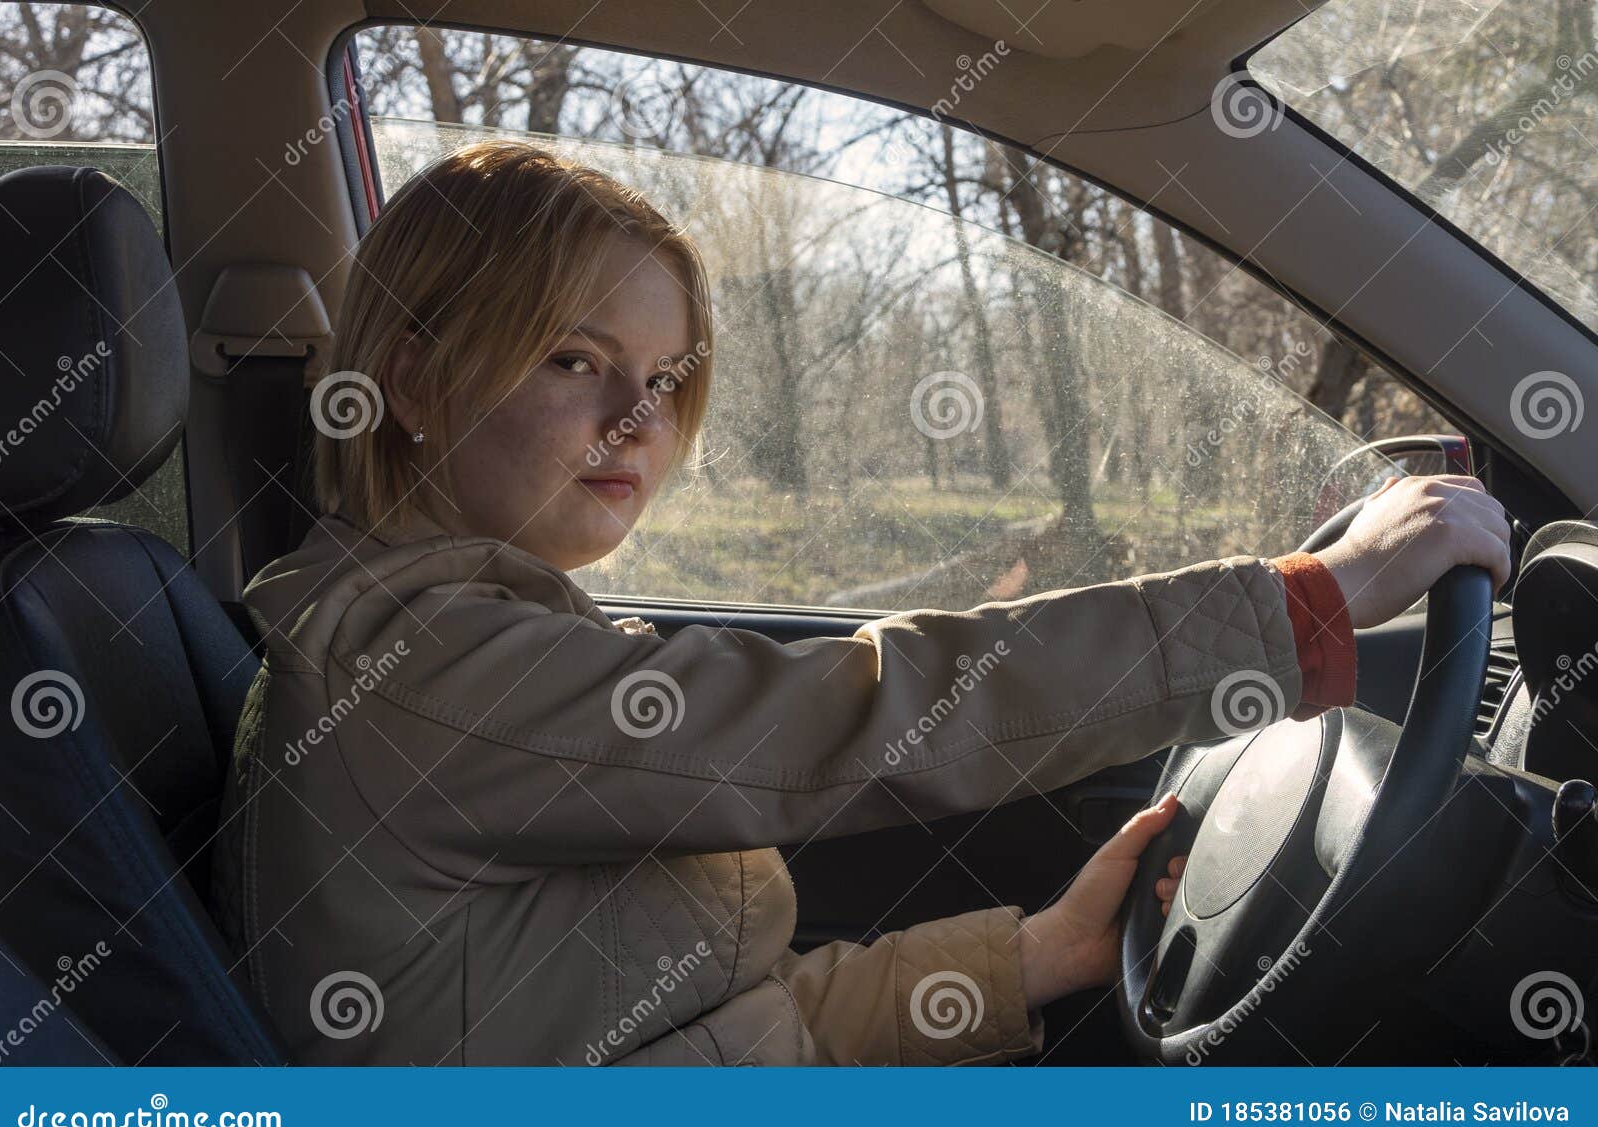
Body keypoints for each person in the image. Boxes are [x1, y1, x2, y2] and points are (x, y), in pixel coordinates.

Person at [209, 140, 1512, 1066]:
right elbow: (867, 714)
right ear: (418, 380)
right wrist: (1302, 609)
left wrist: (1036, 956)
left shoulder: (483, 637)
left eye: (664, 377)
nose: (636, 420)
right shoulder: (423, 669)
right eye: (575, 359)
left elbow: (745, 1035)